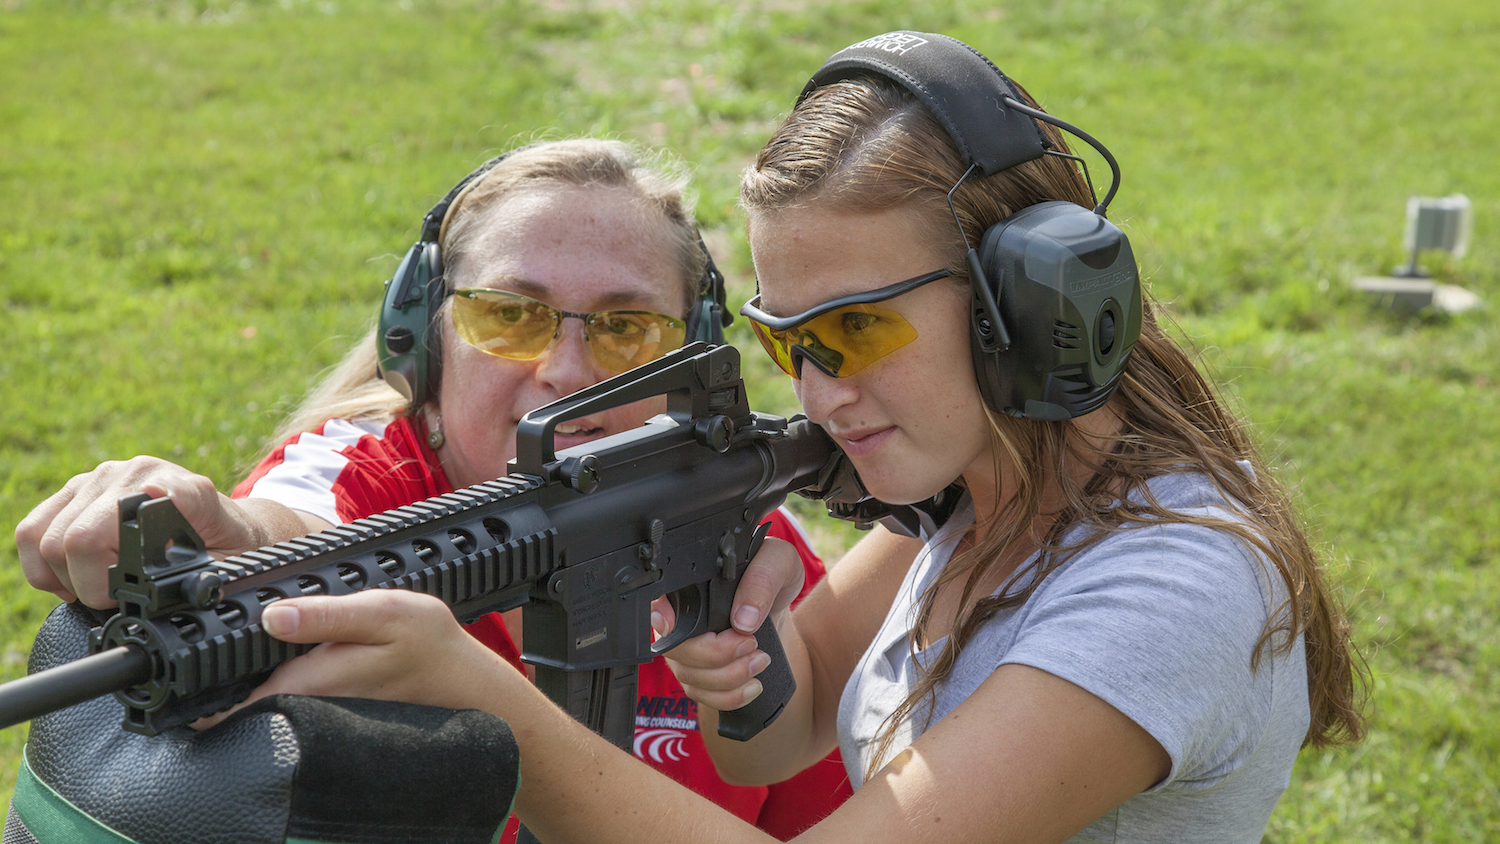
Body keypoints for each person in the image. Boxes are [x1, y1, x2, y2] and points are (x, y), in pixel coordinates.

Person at [26, 35, 1369, 842]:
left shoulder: (1170, 584)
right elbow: (767, 748)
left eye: (855, 333)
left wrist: (483, 696)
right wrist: (736, 637)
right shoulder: (988, 499)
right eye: (792, 345)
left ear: (1033, 306)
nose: (822, 393)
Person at [14, 139, 849, 840]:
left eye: (626, 329)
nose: (564, 370)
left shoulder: (745, 537)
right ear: (425, 338)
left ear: (688, 357)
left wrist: (749, 666)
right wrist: (225, 529)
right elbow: (295, 532)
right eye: (510, 315)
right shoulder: (359, 480)